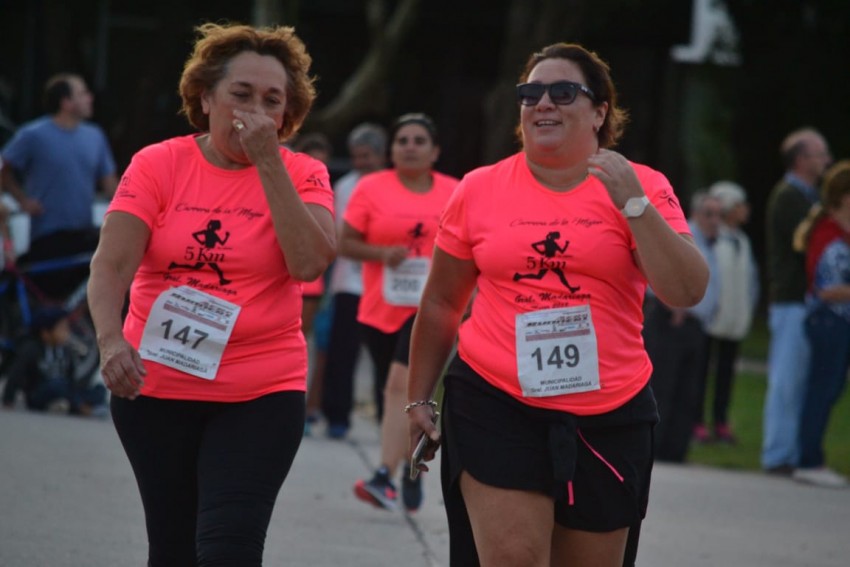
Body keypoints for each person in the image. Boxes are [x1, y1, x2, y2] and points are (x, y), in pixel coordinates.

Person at [405, 43, 708, 566]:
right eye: (530, 93)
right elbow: (439, 303)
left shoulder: (643, 186)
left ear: (599, 112)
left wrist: (633, 204)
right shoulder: (479, 189)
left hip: (609, 411)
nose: (542, 103)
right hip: (495, 398)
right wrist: (417, 401)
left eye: (563, 91)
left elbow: (685, 290)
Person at [86, 22, 335, 565]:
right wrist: (110, 341)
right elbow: (111, 265)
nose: (255, 110)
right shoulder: (159, 163)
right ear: (206, 97)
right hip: (157, 387)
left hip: (261, 391)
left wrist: (268, 163)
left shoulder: (304, 172)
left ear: (288, 113)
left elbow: (310, 264)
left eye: (273, 100)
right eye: (240, 94)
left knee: (230, 547)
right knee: (173, 548)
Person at [341, 113, 459, 512]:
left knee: (399, 385)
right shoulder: (371, 188)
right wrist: (380, 254)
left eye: (419, 140)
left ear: (435, 151)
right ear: (391, 151)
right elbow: (344, 244)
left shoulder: (454, 191)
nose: (409, 146)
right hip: (379, 309)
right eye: (402, 140)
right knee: (392, 397)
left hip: (431, 310)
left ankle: (383, 476)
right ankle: (409, 469)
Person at [1, 73, 117, 300]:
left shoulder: (95, 136)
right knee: (52, 295)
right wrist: (22, 200)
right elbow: (4, 168)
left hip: (82, 230)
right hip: (48, 234)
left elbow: (110, 183)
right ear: (66, 102)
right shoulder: (33, 135)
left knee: (112, 270)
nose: (90, 98)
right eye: (83, 93)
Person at [762, 127, 832, 475]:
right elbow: (804, 243)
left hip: (799, 301)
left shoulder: (806, 196)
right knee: (786, 380)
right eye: (820, 155)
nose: (826, 161)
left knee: (797, 380)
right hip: (790, 299)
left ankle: (786, 452)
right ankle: (777, 455)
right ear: (802, 159)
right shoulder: (789, 196)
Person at [320, 122, 387, 439]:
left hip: (387, 287)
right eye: (356, 156)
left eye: (367, 156)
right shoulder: (344, 186)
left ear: (381, 155)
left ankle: (388, 418)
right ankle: (337, 417)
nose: (361, 162)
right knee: (340, 353)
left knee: (385, 356)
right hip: (348, 283)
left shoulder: (394, 184)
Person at [644, 191, 721, 462]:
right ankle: (656, 446)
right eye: (709, 213)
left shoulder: (713, 243)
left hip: (696, 325)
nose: (714, 220)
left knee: (690, 389)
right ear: (696, 213)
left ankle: (676, 450)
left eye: (718, 215)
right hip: (673, 319)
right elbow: (660, 269)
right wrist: (673, 306)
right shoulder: (682, 235)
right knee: (664, 384)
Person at [791, 160, 850, 488]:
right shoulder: (828, 232)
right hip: (828, 321)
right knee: (821, 389)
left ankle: (811, 457)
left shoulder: (842, 231)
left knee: (830, 389)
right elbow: (826, 287)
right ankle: (808, 460)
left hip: (838, 322)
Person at [693, 181, 759, 444]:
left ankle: (720, 420)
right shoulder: (713, 241)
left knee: (725, 373)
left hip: (735, 318)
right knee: (700, 371)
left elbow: (750, 280)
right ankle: (696, 421)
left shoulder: (741, 241)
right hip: (712, 318)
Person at [291, 131, 333, 430]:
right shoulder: (285, 180)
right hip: (287, 274)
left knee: (303, 344)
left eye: (323, 163)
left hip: (313, 283)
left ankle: (304, 408)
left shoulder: (329, 188)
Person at [1, 306, 106, 416]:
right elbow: (17, 372)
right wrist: (8, 399)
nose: (67, 332)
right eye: (62, 329)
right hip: (40, 392)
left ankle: (68, 403)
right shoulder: (32, 349)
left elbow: (71, 376)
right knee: (57, 385)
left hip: (63, 389)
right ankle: (81, 408)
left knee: (99, 389)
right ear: (46, 333)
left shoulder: (64, 350)